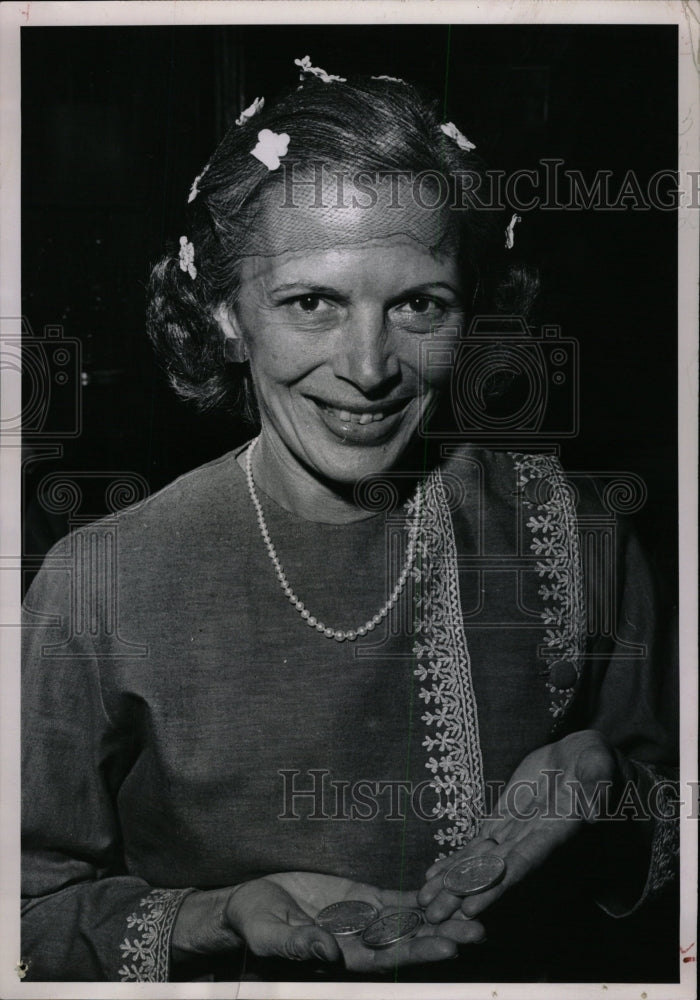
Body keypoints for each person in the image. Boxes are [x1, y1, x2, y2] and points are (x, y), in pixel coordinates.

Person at [21, 60, 678, 983]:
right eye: (312, 303)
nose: (368, 368)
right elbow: (25, 914)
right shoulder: (103, 583)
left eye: (418, 304)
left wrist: (609, 806)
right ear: (224, 313)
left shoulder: (579, 535)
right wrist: (211, 918)